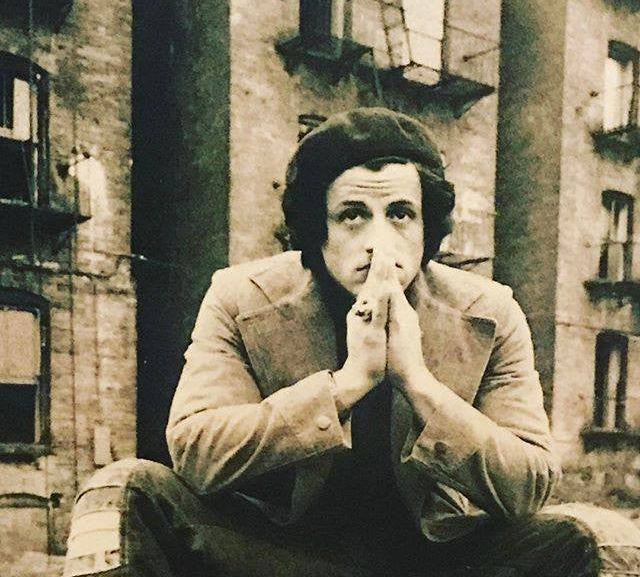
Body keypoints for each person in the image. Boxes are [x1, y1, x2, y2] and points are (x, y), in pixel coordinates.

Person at [63, 108, 640, 577]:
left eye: (401, 214)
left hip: (439, 558)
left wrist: (417, 383)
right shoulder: (241, 297)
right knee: (122, 491)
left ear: (427, 229)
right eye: (352, 215)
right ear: (317, 230)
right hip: (284, 553)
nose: (377, 240)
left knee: (600, 539)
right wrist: (346, 385)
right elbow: (196, 453)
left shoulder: (490, 312)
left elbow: (530, 485)